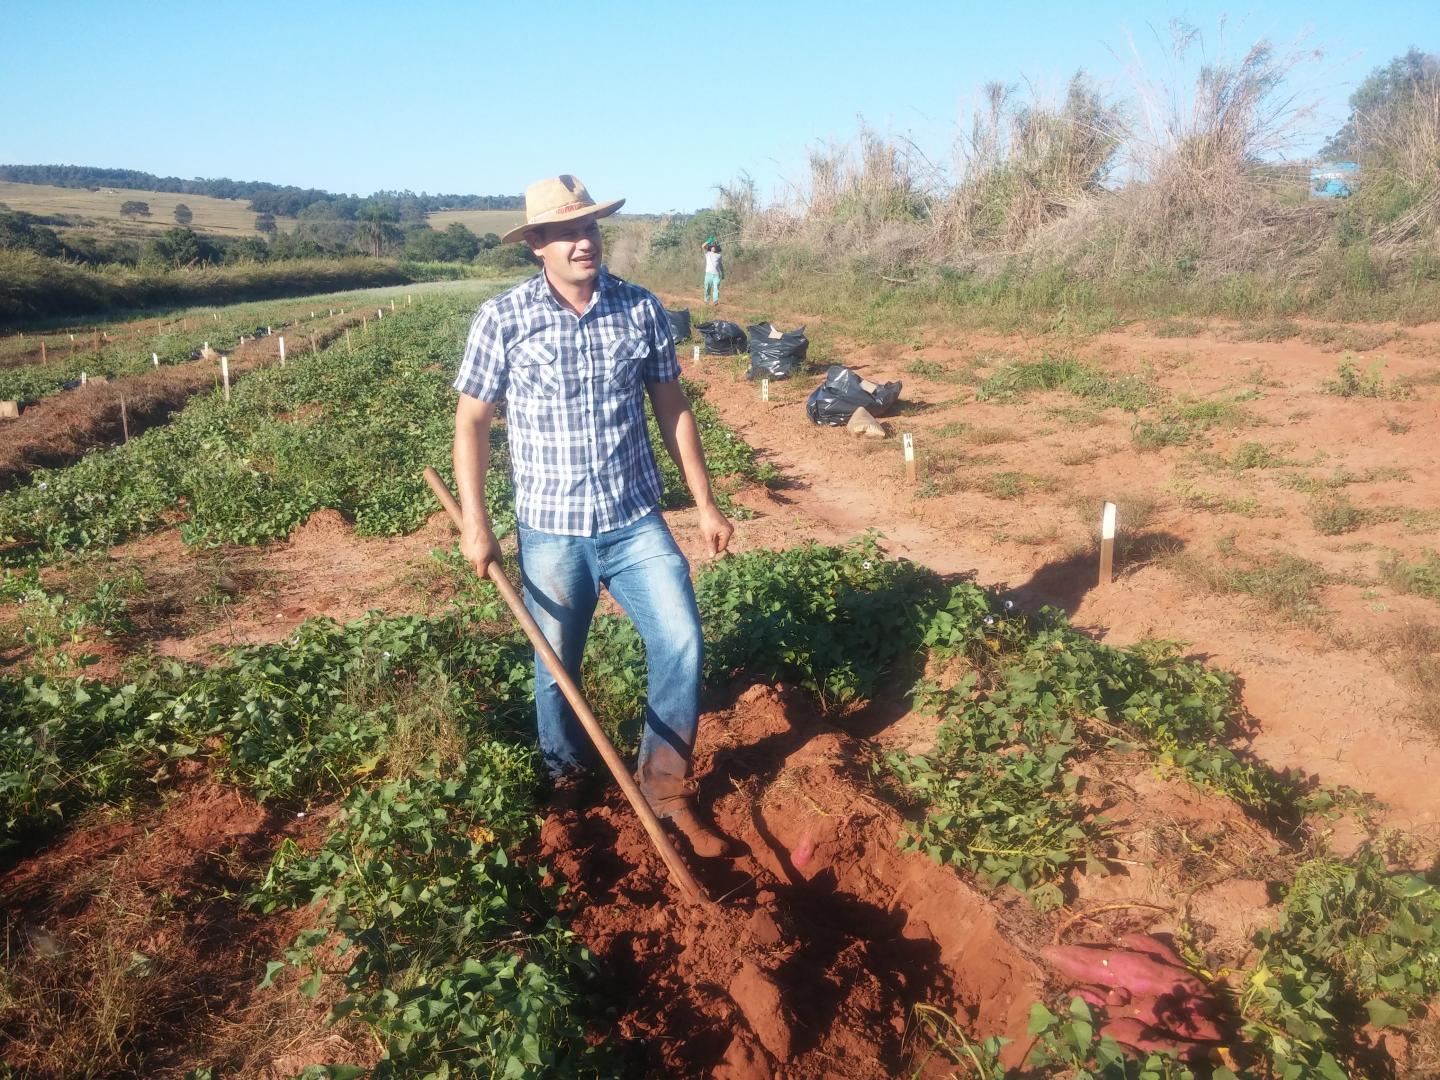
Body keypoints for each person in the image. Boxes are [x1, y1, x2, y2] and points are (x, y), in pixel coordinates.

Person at [452, 175, 735, 857]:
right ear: (537, 247)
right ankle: (568, 785)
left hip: (635, 520)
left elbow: (673, 407)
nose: (583, 242)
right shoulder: (504, 318)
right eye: (564, 233)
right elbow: (472, 422)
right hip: (551, 528)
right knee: (556, 665)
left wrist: (704, 503)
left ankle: (665, 787)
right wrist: (476, 522)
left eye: (590, 229)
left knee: (682, 639)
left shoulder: (640, 310)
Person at [702, 237, 724, 305]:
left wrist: (722, 273)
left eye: (715, 246)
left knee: (716, 288)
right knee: (707, 288)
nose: (713, 247)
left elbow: (720, 265)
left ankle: (715, 301)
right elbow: (703, 246)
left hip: (716, 275)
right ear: (710, 247)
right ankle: (706, 300)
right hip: (708, 274)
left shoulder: (719, 256)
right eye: (712, 246)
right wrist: (708, 241)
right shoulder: (708, 254)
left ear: (717, 248)